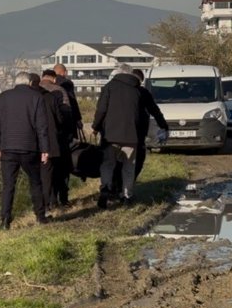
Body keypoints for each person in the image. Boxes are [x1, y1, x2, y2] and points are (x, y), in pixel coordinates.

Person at [0, 72, 50, 229]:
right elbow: (42, 126)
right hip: (29, 147)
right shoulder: (36, 97)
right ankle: (40, 216)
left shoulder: (4, 97)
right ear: (30, 83)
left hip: (8, 148)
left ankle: (5, 220)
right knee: (35, 182)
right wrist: (45, 149)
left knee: (8, 185)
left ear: (15, 82)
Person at [92, 64, 145, 209]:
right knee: (129, 167)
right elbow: (141, 115)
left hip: (111, 135)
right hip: (131, 135)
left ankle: (105, 189)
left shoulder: (109, 87)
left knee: (108, 164)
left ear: (118, 73)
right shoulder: (137, 90)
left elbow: (101, 109)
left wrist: (95, 127)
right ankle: (127, 196)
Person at [33, 71, 71, 210]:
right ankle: (57, 199)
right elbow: (63, 117)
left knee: (39, 174)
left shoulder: (31, 96)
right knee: (56, 172)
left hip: (33, 142)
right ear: (54, 79)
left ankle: (42, 203)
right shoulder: (57, 92)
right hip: (54, 140)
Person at [132, 68, 168, 179]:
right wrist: (164, 126)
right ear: (140, 80)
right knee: (137, 161)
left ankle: (112, 188)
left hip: (113, 134)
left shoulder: (114, 90)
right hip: (137, 134)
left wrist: (97, 127)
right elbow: (154, 111)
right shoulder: (142, 92)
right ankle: (126, 189)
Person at [54, 64, 83, 132]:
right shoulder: (67, 83)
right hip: (68, 116)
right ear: (64, 72)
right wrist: (78, 119)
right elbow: (73, 101)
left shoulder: (52, 83)